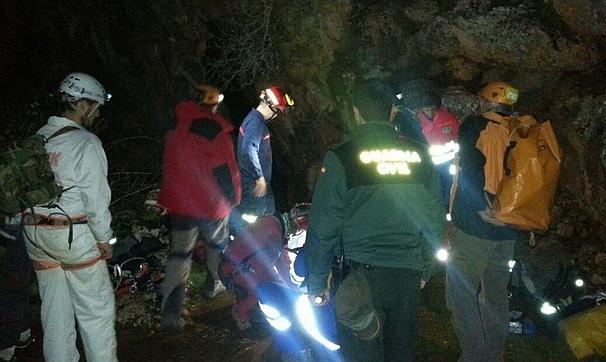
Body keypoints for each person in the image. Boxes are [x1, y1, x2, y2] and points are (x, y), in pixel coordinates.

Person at [304, 79, 446, 362]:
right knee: (400, 354)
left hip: (360, 279)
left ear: (356, 112)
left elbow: (323, 225)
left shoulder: (341, 157)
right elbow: (435, 220)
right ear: (393, 111)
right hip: (406, 276)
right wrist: (425, 268)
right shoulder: (420, 156)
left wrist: (317, 283)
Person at [21, 72, 117, 361]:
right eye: (96, 107)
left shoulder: (38, 138)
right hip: (72, 236)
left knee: (54, 314)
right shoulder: (86, 143)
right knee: (95, 314)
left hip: (35, 233)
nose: (97, 114)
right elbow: (96, 200)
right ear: (83, 105)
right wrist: (104, 239)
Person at [445, 81, 525, 362]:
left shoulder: (476, 127)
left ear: (486, 102)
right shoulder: (521, 130)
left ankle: (474, 357)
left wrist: (480, 208)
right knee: (496, 295)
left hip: (478, 226)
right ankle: (494, 355)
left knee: (460, 293)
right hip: (509, 226)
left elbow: (470, 168)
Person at [158, 84, 241, 332]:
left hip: (179, 206)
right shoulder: (213, 130)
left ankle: (170, 314)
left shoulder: (173, 129)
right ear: (212, 104)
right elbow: (226, 171)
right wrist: (234, 198)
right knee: (218, 247)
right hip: (210, 205)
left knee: (179, 257)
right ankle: (216, 285)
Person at [230, 87, 294, 235]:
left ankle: (266, 242)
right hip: (253, 183)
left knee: (268, 216)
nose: (276, 115)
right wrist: (259, 177)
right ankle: (250, 248)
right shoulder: (256, 124)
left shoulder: (253, 119)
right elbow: (249, 149)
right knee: (254, 223)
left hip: (257, 182)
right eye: (277, 111)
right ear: (272, 107)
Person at [0, 216, 34, 362]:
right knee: (17, 287)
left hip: (11, 233)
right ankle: (21, 334)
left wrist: (5, 239)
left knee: (10, 290)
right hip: (21, 231)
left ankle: (6, 347)